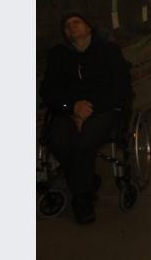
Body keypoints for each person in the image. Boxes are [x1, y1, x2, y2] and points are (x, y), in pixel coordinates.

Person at [40, 12, 133, 224]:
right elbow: (48, 90)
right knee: (58, 140)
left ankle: (81, 199)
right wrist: (72, 107)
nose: (71, 27)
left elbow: (121, 87)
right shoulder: (58, 55)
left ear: (88, 27)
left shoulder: (108, 51)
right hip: (68, 111)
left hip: (103, 109)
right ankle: (87, 181)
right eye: (66, 26)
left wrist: (91, 108)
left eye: (76, 22)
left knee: (83, 142)